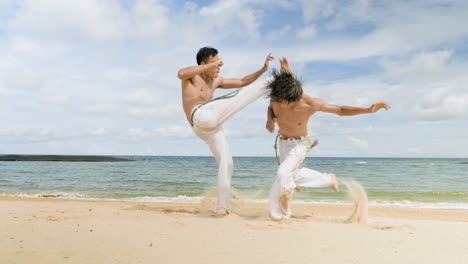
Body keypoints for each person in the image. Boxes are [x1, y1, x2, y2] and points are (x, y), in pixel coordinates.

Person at [266, 57, 390, 221]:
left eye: (287, 101)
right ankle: (328, 179)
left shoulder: (310, 103)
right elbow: (271, 106)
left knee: (283, 174)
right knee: (291, 176)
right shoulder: (276, 97)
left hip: (300, 144)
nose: (282, 104)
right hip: (283, 143)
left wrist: (367, 110)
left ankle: (282, 215)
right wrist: (269, 119)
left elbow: (339, 109)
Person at [178, 47, 274, 217]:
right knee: (237, 97)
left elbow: (243, 81)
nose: (219, 66)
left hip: (210, 126)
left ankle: (222, 208)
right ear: (204, 63)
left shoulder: (216, 81)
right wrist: (209, 66)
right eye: (215, 62)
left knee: (227, 163)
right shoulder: (193, 76)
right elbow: (181, 73)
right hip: (200, 116)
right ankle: (274, 81)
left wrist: (263, 69)